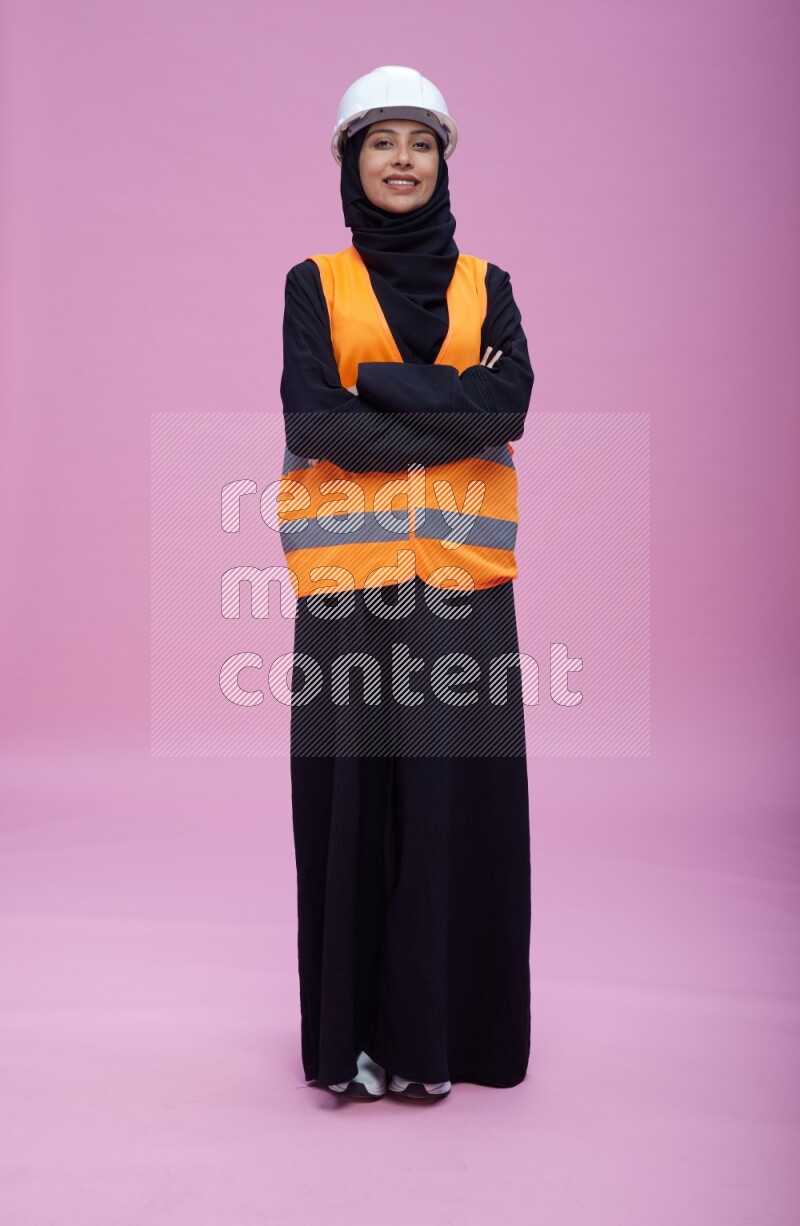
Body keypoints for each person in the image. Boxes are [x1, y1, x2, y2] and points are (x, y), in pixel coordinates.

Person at [278, 66, 535, 1102]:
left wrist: (375, 387)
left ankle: (439, 1043)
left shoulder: (489, 285)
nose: (399, 160)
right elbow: (314, 423)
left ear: (441, 161)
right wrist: (447, 407)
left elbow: (507, 405)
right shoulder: (313, 284)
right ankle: (351, 1043)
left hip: (464, 593)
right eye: (379, 142)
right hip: (347, 593)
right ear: (350, 161)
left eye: (418, 143)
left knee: (449, 808)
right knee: (351, 806)